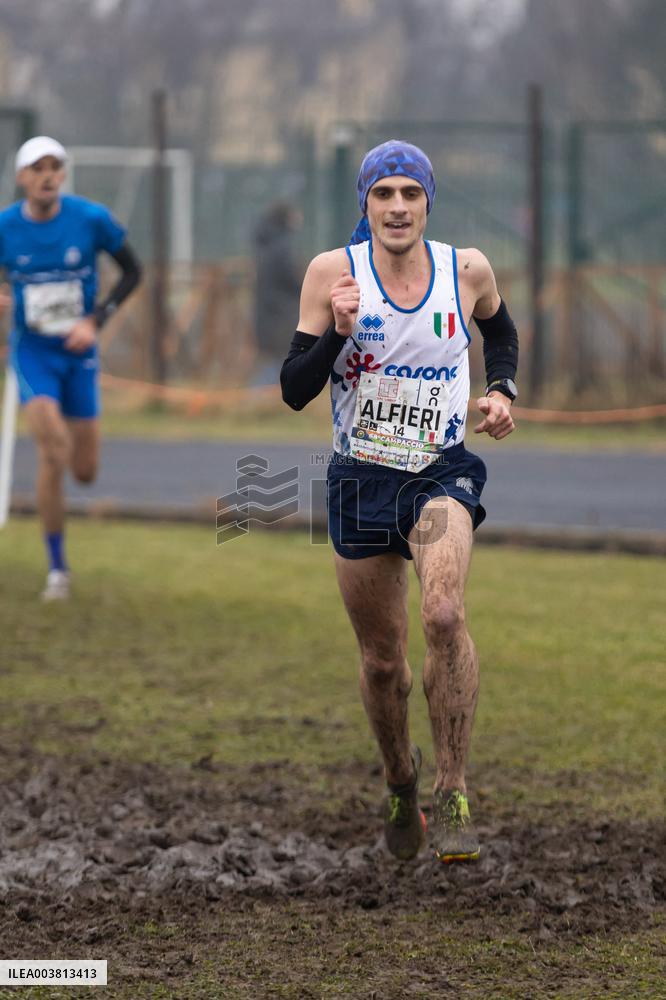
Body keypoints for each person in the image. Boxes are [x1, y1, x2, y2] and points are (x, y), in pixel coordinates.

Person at [281, 140, 518, 864]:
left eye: (409, 194)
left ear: (426, 202)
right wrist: (338, 333)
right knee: (384, 663)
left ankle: (452, 790)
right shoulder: (332, 273)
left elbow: (499, 329)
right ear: (366, 203)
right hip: (359, 479)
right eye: (382, 194)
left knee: (444, 612)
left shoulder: (465, 267)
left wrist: (502, 390)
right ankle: (400, 781)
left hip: (441, 470)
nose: (396, 207)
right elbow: (293, 388)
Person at [0, 136, 142, 600]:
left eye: (55, 167)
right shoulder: (5, 227)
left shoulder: (90, 219)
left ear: (62, 174)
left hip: (79, 355)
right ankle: (57, 568)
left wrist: (95, 320)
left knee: (83, 470)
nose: (47, 176)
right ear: (21, 177)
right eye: (37, 167)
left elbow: (133, 271)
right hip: (32, 353)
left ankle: (59, 561)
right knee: (52, 450)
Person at [252, 201, 303, 384]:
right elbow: (289, 278)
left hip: (266, 312)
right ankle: (261, 399)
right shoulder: (282, 248)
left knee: (274, 359)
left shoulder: (264, 245)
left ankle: (263, 398)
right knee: (279, 359)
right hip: (281, 313)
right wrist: (306, 290)